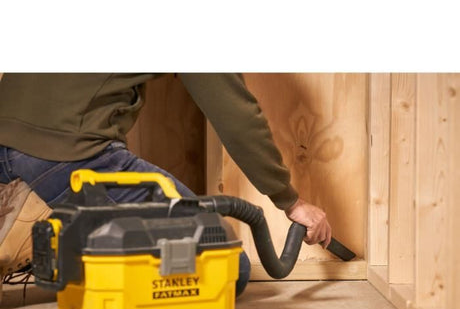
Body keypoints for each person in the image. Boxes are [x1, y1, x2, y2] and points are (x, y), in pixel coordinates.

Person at [0, 73, 331, 297]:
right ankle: (59, 240)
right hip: (70, 154)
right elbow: (236, 115)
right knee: (225, 271)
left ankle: (48, 217)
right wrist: (291, 201)